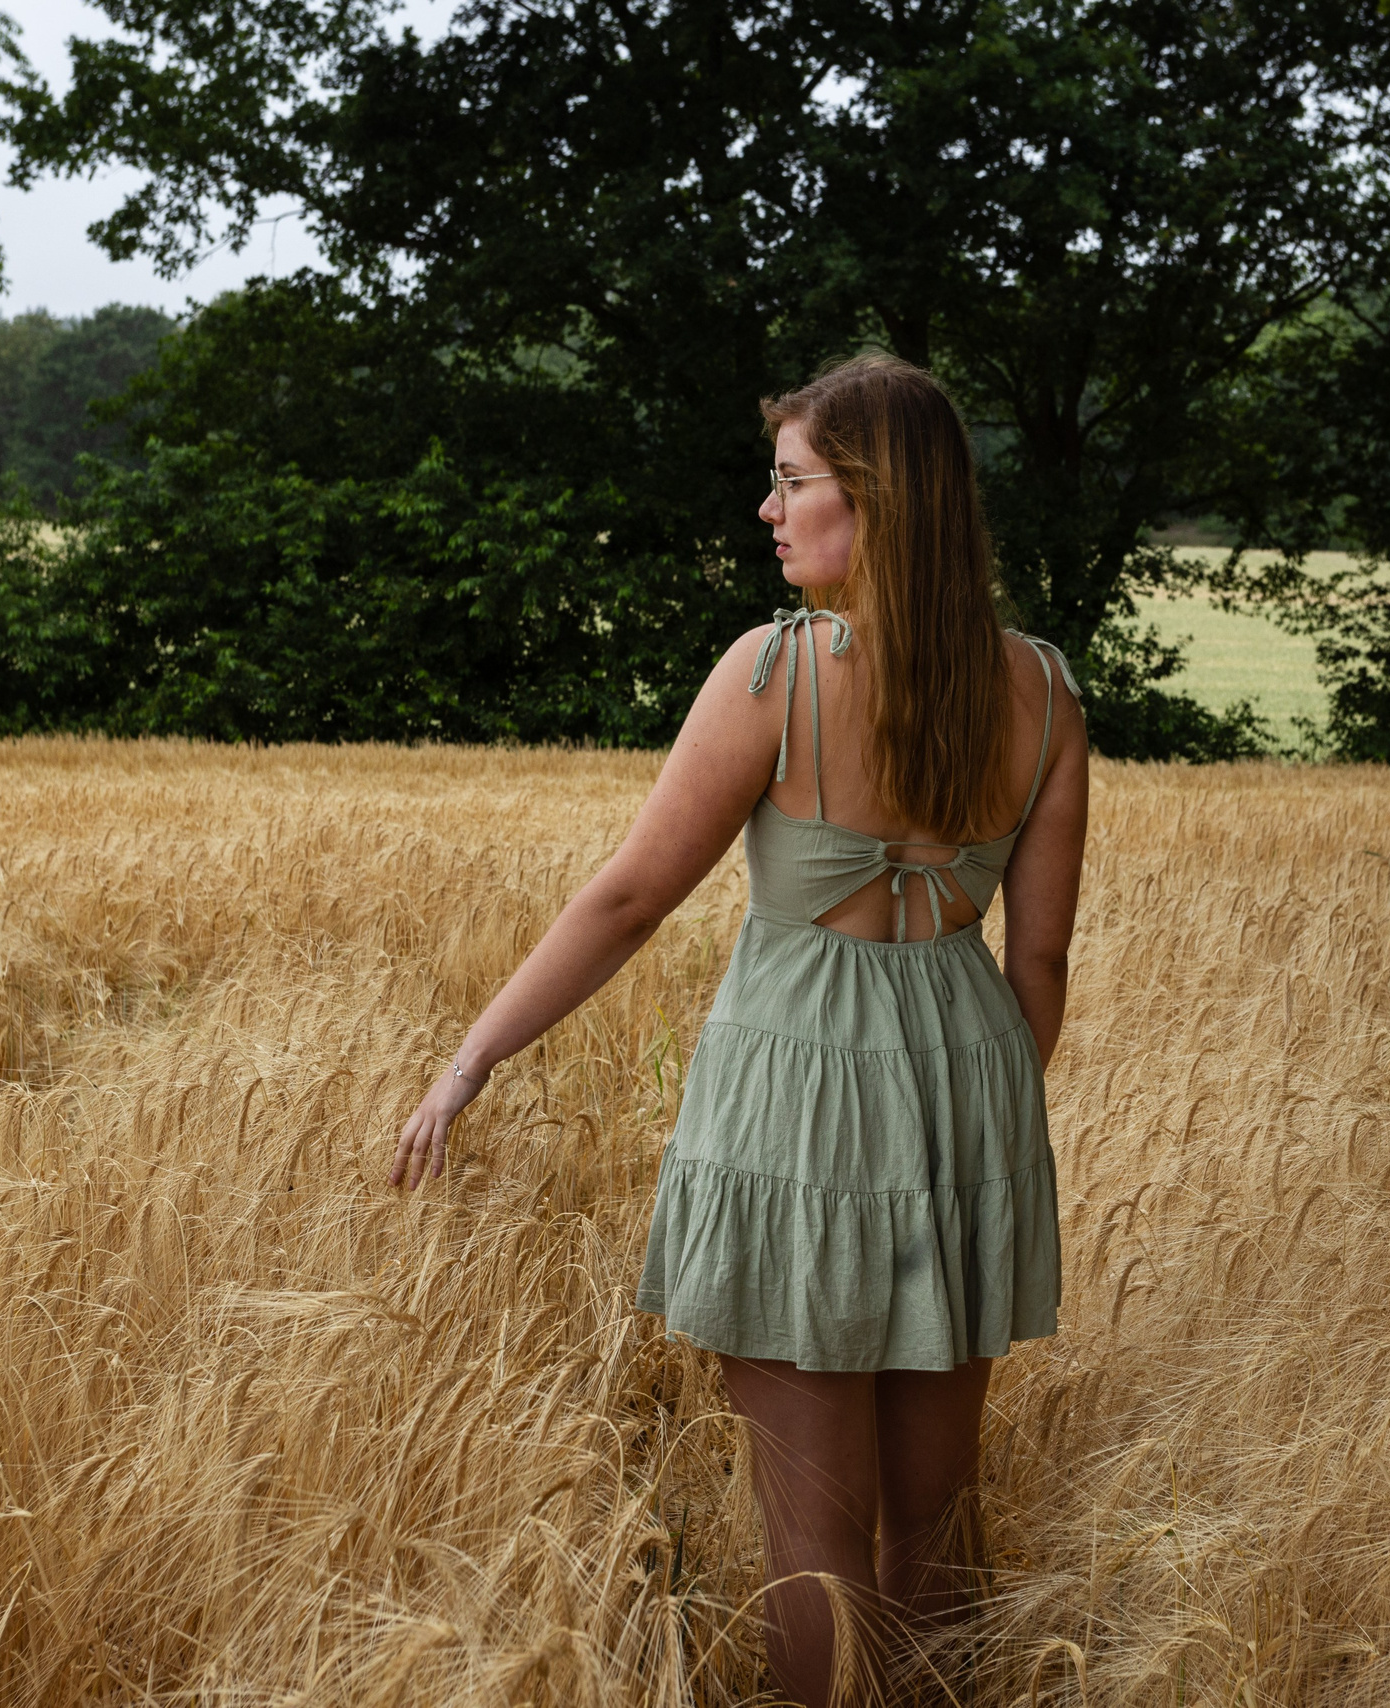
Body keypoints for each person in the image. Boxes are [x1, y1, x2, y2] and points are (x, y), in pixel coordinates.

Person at [391, 352, 1088, 1706]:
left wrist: (471, 1059)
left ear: (872, 502)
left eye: (792, 484)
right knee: (934, 1530)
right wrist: (976, 1122)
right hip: (971, 1102)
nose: (769, 513)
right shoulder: (1045, 692)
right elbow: (1040, 957)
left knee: (811, 1543)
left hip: (795, 1115)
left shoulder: (772, 673)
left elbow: (633, 894)